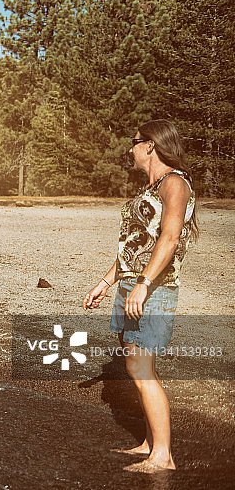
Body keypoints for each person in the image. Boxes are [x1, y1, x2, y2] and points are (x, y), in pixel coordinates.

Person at [83, 119, 198, 474]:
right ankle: (150, 443)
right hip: (132, 285)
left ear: (150, 145)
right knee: (137, 366)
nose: (130, 149)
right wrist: (105, 281)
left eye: (134, 142)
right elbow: (136, 245)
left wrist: (145, 283)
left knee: (140, 367)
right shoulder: (151, 186)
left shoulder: (175, 182)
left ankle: (163, 456)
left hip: (154, 289)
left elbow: (169, 238)